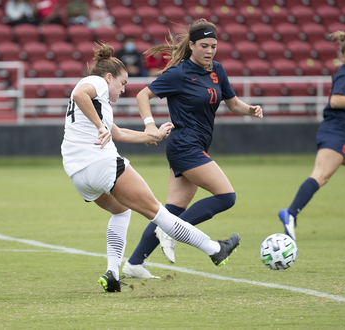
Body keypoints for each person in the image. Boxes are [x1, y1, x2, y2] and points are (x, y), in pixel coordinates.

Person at [61, 42, 241, 292]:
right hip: (100, 163)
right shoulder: (97, 83)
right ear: (109, 76)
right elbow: (83, 97)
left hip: (77, 172)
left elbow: (118, 133)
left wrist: (152, 135)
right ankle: (215, 249)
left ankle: (112, 274)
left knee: (122, 211)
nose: (123, 89)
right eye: (122, 83)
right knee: (159, 213)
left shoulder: (99, 102)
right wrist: (101, 127)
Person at [122, 19, 264, 279]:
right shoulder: (179, 73)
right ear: (191, 45)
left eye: (213, 46)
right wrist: (149, 126)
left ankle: (134, 263)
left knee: (172, 211)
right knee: (226, 196)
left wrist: (250, 109)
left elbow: (232, 104)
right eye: (204, 46)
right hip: (184, 145)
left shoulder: (217, 70)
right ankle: (170, 231)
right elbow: (143, 95)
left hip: (195, 144)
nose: (209, 51)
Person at [278, 31, 345, 240]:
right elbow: (336, 101)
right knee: (321, 176)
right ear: (343, 57)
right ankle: (289, 213)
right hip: (333, 135)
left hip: (343, 134)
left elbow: (342, 108)